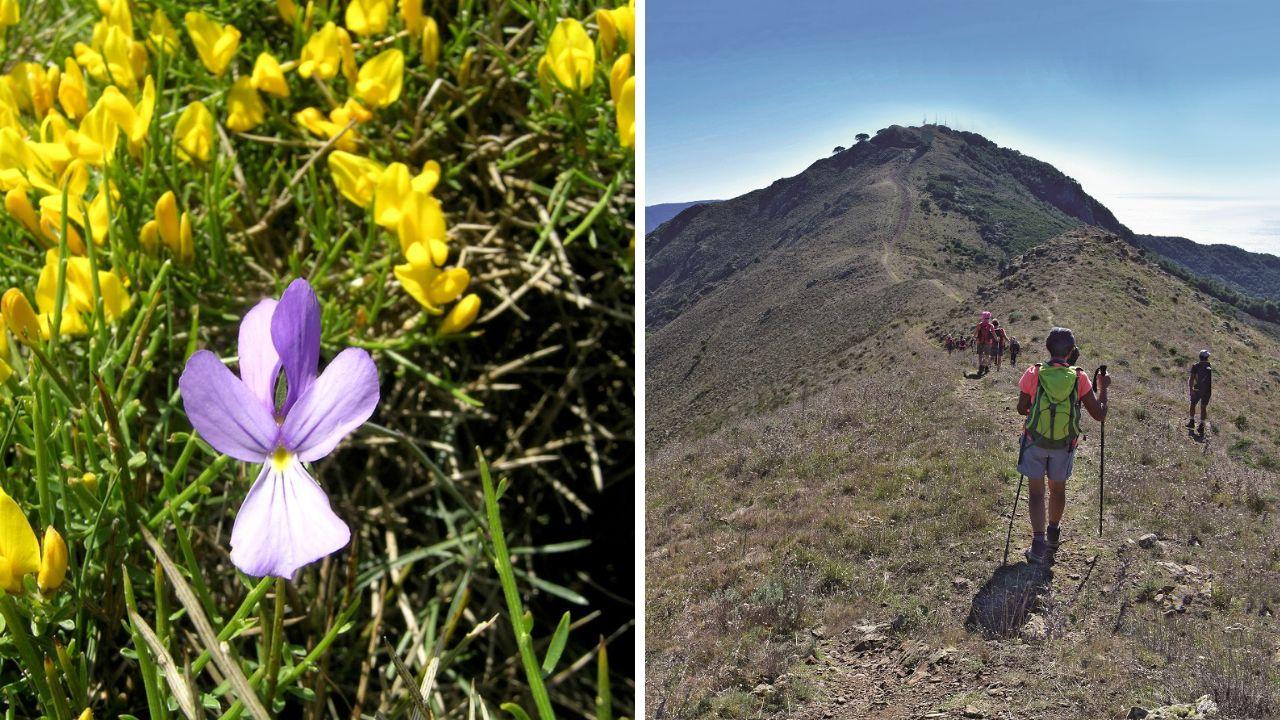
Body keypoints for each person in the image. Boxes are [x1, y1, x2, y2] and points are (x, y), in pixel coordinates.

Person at [1016, 327, 1109, 564]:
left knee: (1036, 493)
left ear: (1047, 348)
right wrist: (1104, 388)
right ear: (1071, 352)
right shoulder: (1079, 377)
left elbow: (1021, 408)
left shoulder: (1033, 372)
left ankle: (1037, 545)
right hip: (1063, 445)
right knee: (1057, 489)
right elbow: (1099, 415)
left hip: (1035, 441)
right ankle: (1053, 534)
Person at [1188, 350, 1212, 434]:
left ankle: (1191, 422)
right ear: (1207, 358)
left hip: (1197, 389)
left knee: (1193, 404)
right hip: (1206, 390)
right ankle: (1201, 425)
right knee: (1203, 407)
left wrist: (1190, 389)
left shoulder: (1195, 366)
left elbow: (1191, 379)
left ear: (1200, 357)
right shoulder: (1209, 366)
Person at [975, 311, 995, 376]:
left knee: (980, 355)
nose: (987, 319)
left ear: (982, 317)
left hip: (980, 341)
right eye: (988, 318)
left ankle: (981, 367)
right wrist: (997, 339)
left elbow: (976, 333)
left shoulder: (979, 325)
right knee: (987, 355)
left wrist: (973, 338)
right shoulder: (991, 325)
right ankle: (986, 367)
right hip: (988, 342)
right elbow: (994, 334)